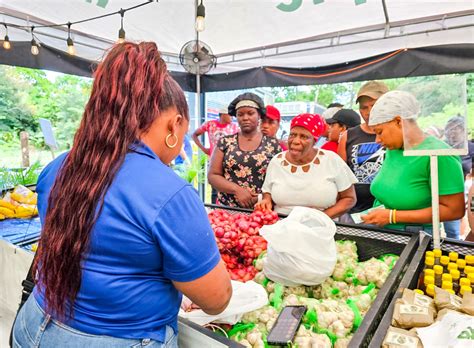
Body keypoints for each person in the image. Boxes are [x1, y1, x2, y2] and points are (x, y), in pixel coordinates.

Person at [12, 43, 232, 347]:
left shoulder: (56, 168)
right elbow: (216, 299)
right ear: (175, 124)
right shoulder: (169, 193)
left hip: (34, 326)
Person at [362, 91, 465, 232]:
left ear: (399, 121)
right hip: (384, 232)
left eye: (380, 132)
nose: (377, 140)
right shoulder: (394, 149)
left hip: (415, 237)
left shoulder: (439, 154)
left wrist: (393, 216)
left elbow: (454, 210)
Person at [255, 113, 357, 216]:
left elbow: (349, 198)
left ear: (314, 140)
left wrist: (321, 217)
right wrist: (266, 200)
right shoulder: (277, 161)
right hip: (281, 224)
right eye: (293, 135)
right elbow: (267, 191)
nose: (295, 141)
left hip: (320, 227)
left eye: (304, 137)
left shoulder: (331, 160)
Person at [208, 93, 282, 209]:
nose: (245, 118)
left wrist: (261, 197)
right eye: (240, 114)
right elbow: (213, 175)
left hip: (261, 210)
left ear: (259, 116)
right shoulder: (225, 142)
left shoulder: (272, 145)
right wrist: (237, 190)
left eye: (251, 113)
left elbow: (279, 179)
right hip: (228, 210)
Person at [338, 81, 389, 216]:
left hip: (388, 211)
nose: (368, 112)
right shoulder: (348, 136)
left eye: (373, 106)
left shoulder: (398, 135)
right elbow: (340, 175)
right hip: (356, 210)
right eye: (363, 107)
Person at [442, 116, 474, 238]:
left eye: (456, 128)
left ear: (463, 130)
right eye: (450, 128)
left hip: (457, 192)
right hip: (435, 189)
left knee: (452, 230)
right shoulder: (441, 146)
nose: (452, 132)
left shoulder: (470, 147)